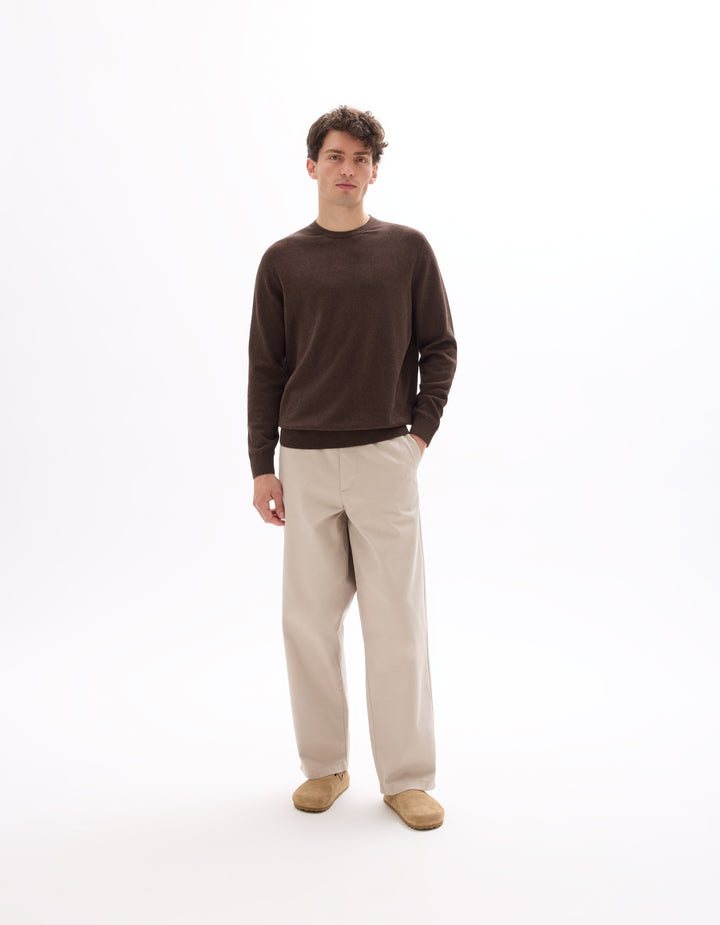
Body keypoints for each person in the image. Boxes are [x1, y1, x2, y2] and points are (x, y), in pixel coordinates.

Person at [247, 105, 457, 830]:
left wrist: (417, 438)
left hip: (384, 457)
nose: (348, 169)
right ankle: (325, 766)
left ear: (374, 171)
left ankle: (407, 778)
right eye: (335, 157)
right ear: (312, 166)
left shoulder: (407, 250)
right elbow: (265, 366)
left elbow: (440, 347)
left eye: (361, 159)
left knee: (396, 621)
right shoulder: (282, 261)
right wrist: (262, 464)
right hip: (303, 460)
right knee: (307, 621)